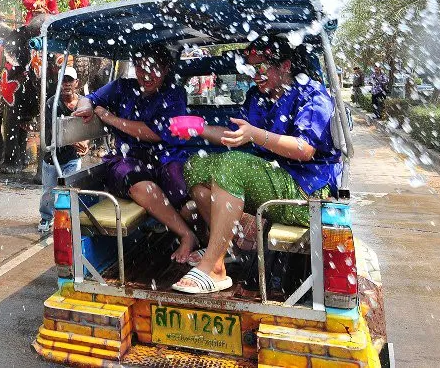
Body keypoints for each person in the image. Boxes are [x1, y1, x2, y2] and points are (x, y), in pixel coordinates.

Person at [174, 43, 340, 294]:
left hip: (307, 193)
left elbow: (304, 150)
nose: (255, 75)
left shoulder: (313, 95)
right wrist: (199, 128)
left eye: (261, 67)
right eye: (250, 69)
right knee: (196, 167)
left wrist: (255, 135)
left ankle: (214, 269)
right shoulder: (257, 96)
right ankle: (223, 249)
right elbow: (236, 134)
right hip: (275, 179)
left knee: (231, 165)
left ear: (285, 66)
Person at [74, 48, 197, 262]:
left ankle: (190, 232)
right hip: (128, 159)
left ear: (166, 69)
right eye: (142, 67)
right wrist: (85, 108)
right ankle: (186, 235)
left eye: (155, 68)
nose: (147, 75)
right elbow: (88, 98)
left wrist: (111, 119)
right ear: (135, 67)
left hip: (165, 157)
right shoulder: (122, 87)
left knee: (182, 186)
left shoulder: (174, 94)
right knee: (140, 184)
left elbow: (157, 133)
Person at [37, 66, 89, 233]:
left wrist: (85, 143)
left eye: (69, 80)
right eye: (63, 80)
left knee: (71, 191)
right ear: (58, 83)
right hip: (53, 157)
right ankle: (46, 217)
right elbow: (52, 132)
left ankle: (69, 219)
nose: (66, 84)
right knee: (48, 193)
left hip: (73, 158)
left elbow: (87, 127)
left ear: (76, 83)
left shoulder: (83, 102)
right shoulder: (52, 103)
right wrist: (74, 142)